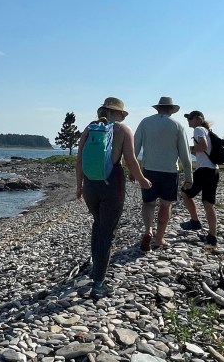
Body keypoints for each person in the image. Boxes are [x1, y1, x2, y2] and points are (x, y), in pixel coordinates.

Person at [76, 97, 151, 299]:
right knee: (107, 232)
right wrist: (143, 180)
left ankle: (96, 267)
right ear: (117, 113)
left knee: (98, 224)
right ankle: (99, 284)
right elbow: (131, 160)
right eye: (121, 113)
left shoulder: (90, 128)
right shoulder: (123, 130)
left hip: (91, 184)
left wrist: (79, 187)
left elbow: (80, 159)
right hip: (112, 184)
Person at [133, 96, 193, 251]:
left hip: (149, 169)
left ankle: (148, 231)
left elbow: (135, 148)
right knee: (166, 205)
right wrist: (189, 177)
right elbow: (185, 155)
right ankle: (159, 239)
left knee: (148, 203)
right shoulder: (177, 125)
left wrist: (133, 171)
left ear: (158, 108)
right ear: (171, 110)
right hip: (170, 171)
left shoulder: (145, 122)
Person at [179, 110, 221, 246]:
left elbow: (203, 146)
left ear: (198, 119)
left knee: (185, 192)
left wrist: (188, 150)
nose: (188, 121)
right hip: (214, 170)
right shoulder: (208, 131)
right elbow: (205, 149)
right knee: (208, 203)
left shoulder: (198, 129)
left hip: (204, 170)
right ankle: (212, 237)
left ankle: (195, 222)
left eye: (190, 118)